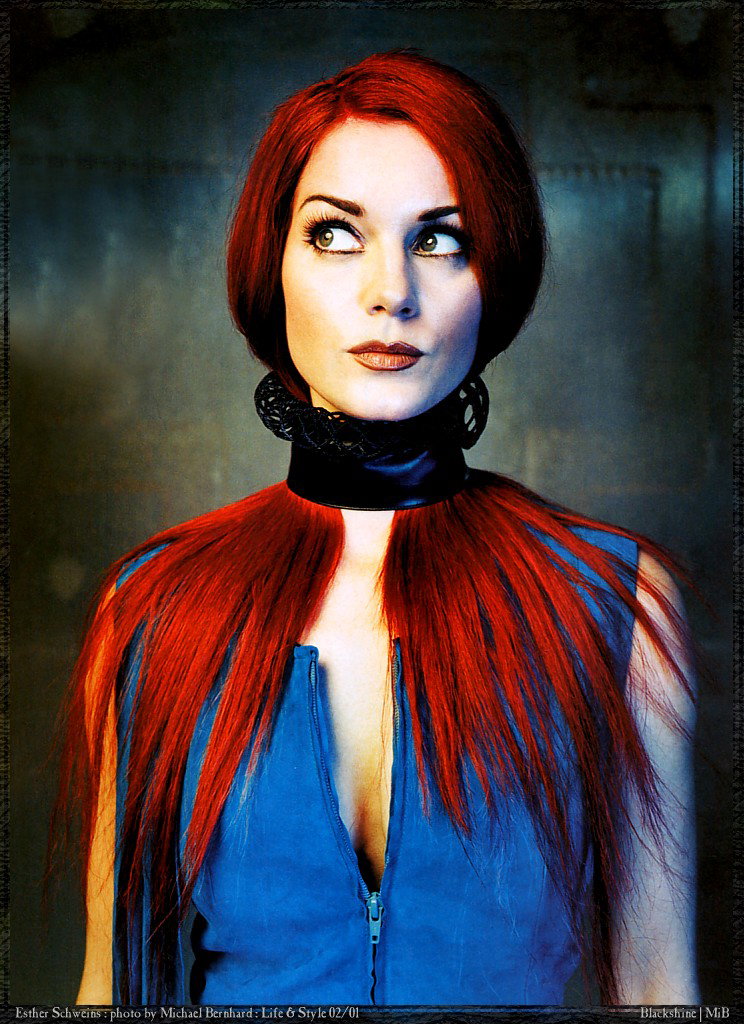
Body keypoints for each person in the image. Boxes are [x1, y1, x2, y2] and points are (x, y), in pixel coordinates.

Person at [56, 51, 699, 1007]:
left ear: (496, 274)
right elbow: (110, 989)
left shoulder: (614, 605)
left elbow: (659, 988)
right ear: (271, 267)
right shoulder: (152, 607)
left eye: (440, 240)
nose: (390, 291)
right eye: (335, 234)